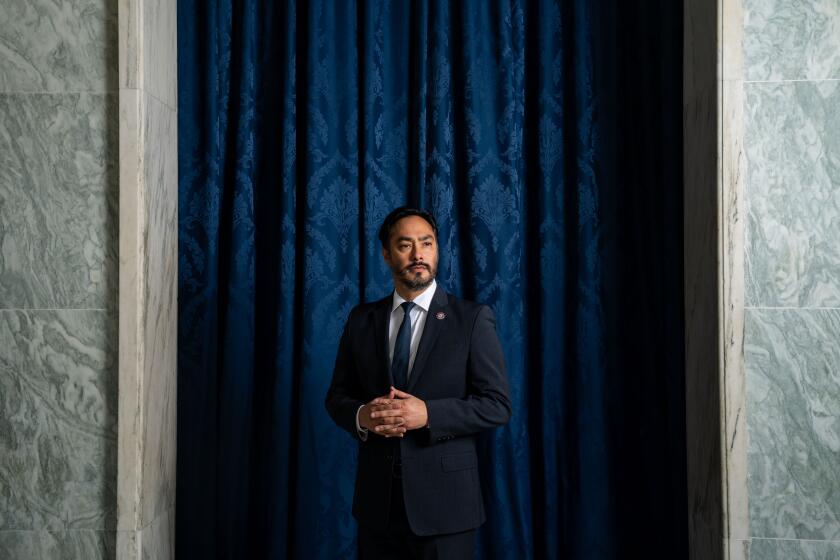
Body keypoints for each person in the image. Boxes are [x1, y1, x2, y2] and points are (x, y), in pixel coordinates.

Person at [325, 206, 512, 559]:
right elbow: (337, 397)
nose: (418, 255)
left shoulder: (471, 319)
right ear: (386, 253)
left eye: (426, 243)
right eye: (405, 245)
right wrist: (362, 416)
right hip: (377, 508)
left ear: (437, 249)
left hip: (447, 509)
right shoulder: (362, 319)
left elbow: (497, 405)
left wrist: (427, 414)